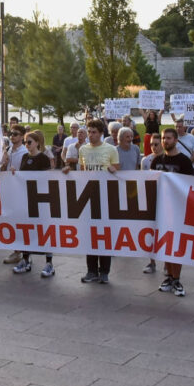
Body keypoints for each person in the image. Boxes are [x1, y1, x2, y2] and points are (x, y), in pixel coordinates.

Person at [65, 119, 119, 284]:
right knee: (90, 235)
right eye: (89, 132)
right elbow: (83, 172)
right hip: (88, 198)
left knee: (104, 235)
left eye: (94, 132)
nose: (91, 135)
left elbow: (119, 172)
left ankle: (104, 271)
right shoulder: (83, 150)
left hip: (105, 198)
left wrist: (113, 169)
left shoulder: (111, 149)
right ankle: (91, 270)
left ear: (101, 133)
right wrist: (69, 171)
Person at [151, 127, 194, 297]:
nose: (165, 141)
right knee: (165, 243)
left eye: (169, 138)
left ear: (176, 140)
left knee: (176, 245)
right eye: (163, 138)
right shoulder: (156, 161)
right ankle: (169, 277)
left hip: (178, 210)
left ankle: (177, 279)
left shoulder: (184, 161)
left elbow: (190, 186)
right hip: (161, 208)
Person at [12, 131, 56, 277]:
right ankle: (26, 259)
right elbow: (22, 175)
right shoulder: (25, 156)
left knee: (43, 229)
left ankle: (49, 263)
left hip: (40, 199)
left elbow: (48, 176)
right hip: (26, 198)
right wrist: (15, 173)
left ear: (37, 143)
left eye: (29, 142)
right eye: (25, 142)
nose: (27, 145)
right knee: (26, 228)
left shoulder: (43, 158)